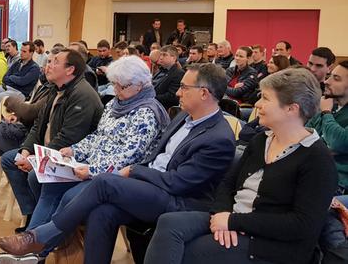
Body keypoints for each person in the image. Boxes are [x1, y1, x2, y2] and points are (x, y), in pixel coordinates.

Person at [0, 63, 236, 264]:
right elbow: (108, 140)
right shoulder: (184, 116)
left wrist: (134, 171)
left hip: (179, 200)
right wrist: (76, 152)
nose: (178, 92)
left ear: (204, 93)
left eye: (184, 87)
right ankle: (39, 243)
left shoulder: (217, 138)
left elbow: (178, 182)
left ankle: (38, 239)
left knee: (104, 183)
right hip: (153, 184)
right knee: (102, 211)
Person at [145, 68, 336, 264]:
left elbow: (302, 225)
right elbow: (228, 184)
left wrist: (233, 222)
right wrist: (222, 214)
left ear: (291, 109)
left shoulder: (317, 159)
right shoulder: (262, 140)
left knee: (190, 251)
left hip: (271, 243)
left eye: (266, 99)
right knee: (169, 222)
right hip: (234, 218)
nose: (258, 104)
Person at [26, 56, 170, 230]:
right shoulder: (116, 104)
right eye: (114, 84)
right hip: (91, 164)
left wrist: (92, 171)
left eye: (121, 86)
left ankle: (40, 244)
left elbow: (130, 156)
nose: (116, 90)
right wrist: (74, 151)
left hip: (116, 176)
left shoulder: (147, 113)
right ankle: (36, 240)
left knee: (69, 196)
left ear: (139, 85)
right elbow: (98, 135)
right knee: (43, 181)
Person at [0, 49, 103, 233]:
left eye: (55, 62)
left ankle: (40, 231)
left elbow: (69, 139)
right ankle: (33, 213)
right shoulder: (55, 89)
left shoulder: (82, 95)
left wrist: (37, 161)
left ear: (70, 70)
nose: (48, 65)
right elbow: (38, 125)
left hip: (73, 158)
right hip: (47, 150)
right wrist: (26, 150)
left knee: (35, 176)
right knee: (10, 159)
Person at [309, 61, 348, 262]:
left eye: (336, 78)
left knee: (318, 208)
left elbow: (339, 142)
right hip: (315, 171)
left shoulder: (327, 109)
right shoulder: (331, 106)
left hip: (340, 183)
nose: (327, 80)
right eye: (330, 75)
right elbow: (305, 132)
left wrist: (325, 114)